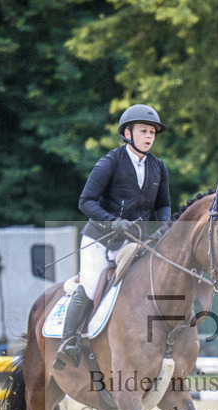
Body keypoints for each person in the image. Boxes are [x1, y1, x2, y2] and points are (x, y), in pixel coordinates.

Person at [56, 104, 173, 368]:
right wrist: (112, 221)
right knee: (90, 284)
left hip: (134, 244)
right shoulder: (110, 162)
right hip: (100, 240)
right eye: (143, 131)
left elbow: (163, 205)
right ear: (127, 133)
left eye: (152, 132)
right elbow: (86, 201)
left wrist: (165, 225)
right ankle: (69, 342)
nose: (149, 136)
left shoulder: (158, 167)